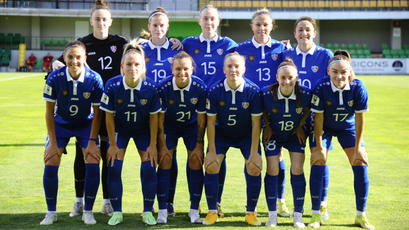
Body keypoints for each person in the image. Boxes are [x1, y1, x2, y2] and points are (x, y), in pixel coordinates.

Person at [52, 0, 128, 217]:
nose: (101, 22)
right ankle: (79, 200)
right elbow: (59, 63)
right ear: (91, 21)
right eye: (97, 19)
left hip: (112, 108)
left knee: (107, 154)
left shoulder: (120, 42)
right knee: (83, 153)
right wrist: (55, 65)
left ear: (110, 21)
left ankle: (107, 201)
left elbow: (138, 54)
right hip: (87, 109)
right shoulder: (82, 44)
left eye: (105, 19)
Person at [308, 50, 374, 230]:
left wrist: (359, 147)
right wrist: (320, 146)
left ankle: (361, 215)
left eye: (343, 72)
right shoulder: (321, 87)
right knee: (318, 161)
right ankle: (316, 214)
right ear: (328, 72)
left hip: (348, 127)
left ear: (350, 72)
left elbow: (360, 118)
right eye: (335, 72)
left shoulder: (358, 87)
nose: (339, 76)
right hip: (325, 127)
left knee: (360, 164)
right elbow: (318, 118)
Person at [40, 40, 104, 225]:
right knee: (51, 159)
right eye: (70, 57)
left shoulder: (94, 79)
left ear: (84, 58)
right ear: (65, 58)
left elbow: (98, 113)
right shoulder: (55, 77)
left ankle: (88, 211)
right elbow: (48, 112)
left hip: (86, 124)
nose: (74, 61)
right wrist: (52, 142)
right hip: (61, 124)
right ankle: (51, 212)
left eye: (78, 57)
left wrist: (92, 140)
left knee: (93, 159)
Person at [182, 5, 237, 216]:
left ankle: (216, 201)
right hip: (193, 106)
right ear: (199, 21)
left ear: (218, 21)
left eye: (212, 19)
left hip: (219, 106)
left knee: (216, 154)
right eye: (205, 18)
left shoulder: (229, 45)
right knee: (194, 154)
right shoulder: (188, 43)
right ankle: (193, 202)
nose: (209, 22)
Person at [235, 8, 290, 216]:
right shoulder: (240, 48)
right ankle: (253, 203)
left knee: (276, 156)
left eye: (265, 24)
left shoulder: (281, 48)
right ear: (252, 26)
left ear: (271, 26)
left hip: (272, 109)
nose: (262, 28)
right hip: (247, 109)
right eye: (258, 24)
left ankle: (280, 199)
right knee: (251, 156)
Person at [100, 41, 161, 226]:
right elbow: (108, 117)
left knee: (149, 166)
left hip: (143, 130)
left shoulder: (151, 88)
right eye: (128, 64)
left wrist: (152, 145)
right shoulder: (112, 85)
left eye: (137, 65)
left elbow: (153, 119)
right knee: (114, 166)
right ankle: (117, 212)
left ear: (143, 67)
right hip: (121, 130)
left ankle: (148, 211)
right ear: (122, 67)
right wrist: (112, 144)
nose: (133, 68)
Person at [281, 16, 334, 219]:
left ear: (315, 32)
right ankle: (281, 201)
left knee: (319, 158)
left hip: (317, 116)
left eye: (308, 29)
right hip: (290, 115)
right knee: (283, 158)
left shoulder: (324, 55)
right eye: (300, 30)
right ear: (294, 34)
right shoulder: (286, 54)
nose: (304, 33)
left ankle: (321, 203)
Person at [203, 52, 263, 226]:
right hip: (222, 133)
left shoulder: (253, 91)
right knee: (212, 165)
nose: (233, 69)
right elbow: (211, 123)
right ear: (224, 69)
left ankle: (251, 212)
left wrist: (254, 152)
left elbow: (256, 124)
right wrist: (212, 151)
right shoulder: (214, 91)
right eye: (229, 66)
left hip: (246, 135)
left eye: (237, 66)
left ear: (243, 69)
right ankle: (213, 210)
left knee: (254, 167)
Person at [156, 51, 207, 224]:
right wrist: (162, 145)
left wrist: (199, 144)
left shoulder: (200, 88)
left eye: (186, 69)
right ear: (172, 69)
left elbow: (201, 119)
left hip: (191, 128)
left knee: (195, 160)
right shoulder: (163, 88)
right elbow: (160, 121)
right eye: (178, 69)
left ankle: (194, 210)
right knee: (165, 160)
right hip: (170, 128)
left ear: (192, 69)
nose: (182, 73)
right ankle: (163, 209)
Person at [261, 58, 311, 228]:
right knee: (272, 169)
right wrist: (267, 126)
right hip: (274, 134)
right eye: (283, 78)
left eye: (290, 77)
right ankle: (272, 215)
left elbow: (310, 108)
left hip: (293, 135)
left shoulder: (305, 93)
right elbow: (263, 111)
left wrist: (300, 125)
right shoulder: (266, 93)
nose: (287, 81)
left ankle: (298, 215)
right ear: (277, 77)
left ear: (296, 77)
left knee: (297, 168)